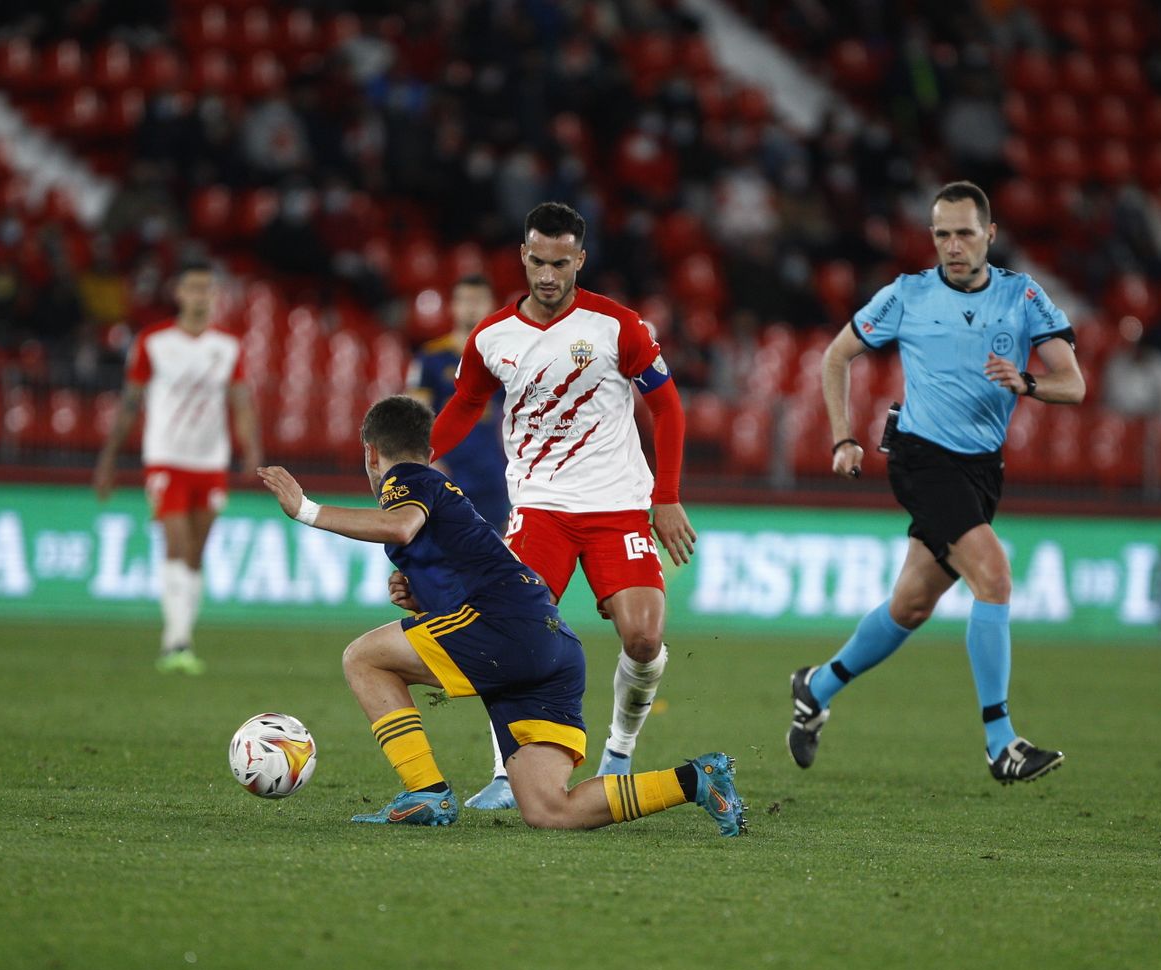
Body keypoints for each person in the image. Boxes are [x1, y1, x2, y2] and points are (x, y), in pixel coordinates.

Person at [257, 395, 745, 836]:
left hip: (504, 631)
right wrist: (422, 599)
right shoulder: (443, 491)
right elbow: (468, 566)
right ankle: (697, 780)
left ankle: (425, 792)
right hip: (552, 646)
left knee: (364, 658)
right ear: (430, 448)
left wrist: (306, 510)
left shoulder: (407, 480)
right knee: (551, 810)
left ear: (370, 452)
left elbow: (401, 527)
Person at [787, 181, 1085, 784]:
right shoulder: (907, 296)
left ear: (990, 235)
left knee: (912, 605)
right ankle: (1001, 741)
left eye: (965, 233)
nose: (952, 245)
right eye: (942, 233)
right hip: (922, 458)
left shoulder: (1022, 296)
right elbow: (835, 357)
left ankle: (815, 687)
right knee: (994, 577)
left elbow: (1073, 384)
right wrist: (844, 436)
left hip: (982, 469)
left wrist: (1026, 384)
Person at [429, 202, 696, 810]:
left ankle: (619, 752)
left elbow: (669, 408)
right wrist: (417, 459)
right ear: (523, 256)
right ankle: (504, 773)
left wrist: (668, 495)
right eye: (537, 262)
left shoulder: (617, 326)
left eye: (560, 263)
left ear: (579, 258)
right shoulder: (492, 336)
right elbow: (466, 406)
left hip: (618, 505)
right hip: (540, 506)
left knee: (643, 637)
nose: (547, 276)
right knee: (511, 632)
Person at [94, 261, 261, 675]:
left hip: (211, 462)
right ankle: (176, 642)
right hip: (166, 458)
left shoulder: (227, 346)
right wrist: (109, 457)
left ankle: (182, 636)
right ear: (178, 293)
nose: (201, 296)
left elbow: (240, 402)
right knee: (177, 544)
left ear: (214, 296)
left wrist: (251, 449)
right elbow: (131, 402)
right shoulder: (154, 341)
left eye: (207, 289)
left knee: (196, 553)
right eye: (193, 288)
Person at [406, 274, 510, 533]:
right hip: (447, 469)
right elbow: (415, 414)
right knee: (445, 555)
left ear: (491, 305)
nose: (471, 307)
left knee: (496, 557)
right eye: (464, 300)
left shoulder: (504, 358)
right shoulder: (431, 357)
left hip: (492, 474)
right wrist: (426, 460)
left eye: (478, 300)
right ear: (452, 306)